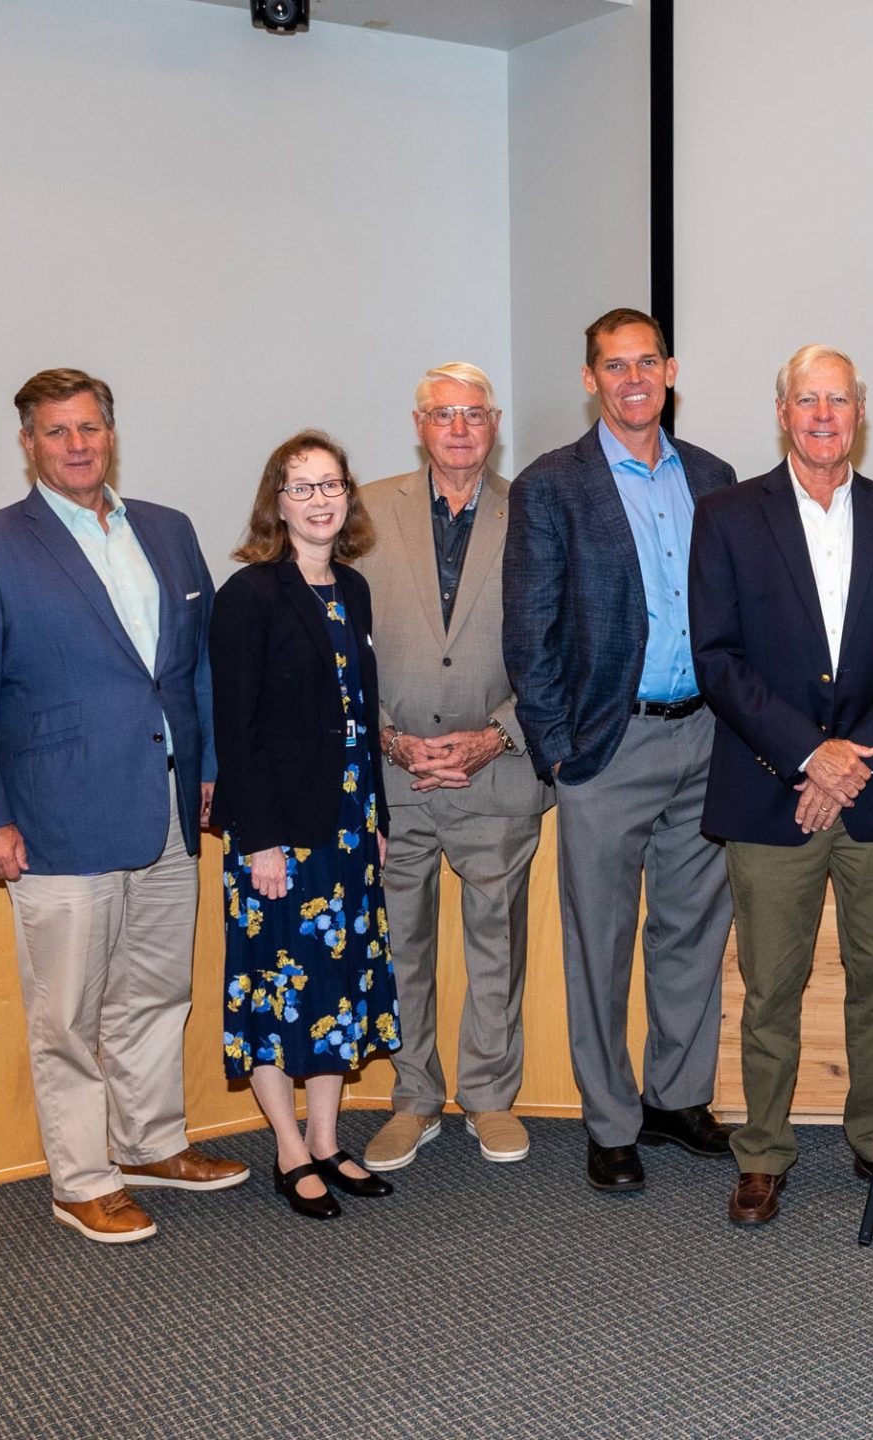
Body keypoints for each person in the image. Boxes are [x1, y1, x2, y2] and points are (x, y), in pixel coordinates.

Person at [0, 368, 250, 1244]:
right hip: (55, 818)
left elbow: (198, 666)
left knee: (156, 993)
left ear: (112, 433)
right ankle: (82, 1177)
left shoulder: (170, 532)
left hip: (170, 808)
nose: (77, 444)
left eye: (90, 428)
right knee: (66, 1013)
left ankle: (149, 1145)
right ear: (28, 443)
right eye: (58, 431)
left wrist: (211, 764)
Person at [689, 345, 873, 1226]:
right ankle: (763, 1155)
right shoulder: (725, 516)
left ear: (860, 409)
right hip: (767, 794)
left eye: (838, 400)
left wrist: (848, 760)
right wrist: (807, 756)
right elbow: (717, 657)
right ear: (782, 411)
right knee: (770, 988)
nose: (823, 415)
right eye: (806, 400)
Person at [503, 309, 738, 1193]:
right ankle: (610, 1121)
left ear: (670, 370)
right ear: (590, 379)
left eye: (647, 362)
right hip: (607, 747)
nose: (633, 378)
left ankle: (677, 1097)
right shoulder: (551, 485)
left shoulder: (712, 477)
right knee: (599, 941)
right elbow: (529, 631)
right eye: (614, 365)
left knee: (690, 931)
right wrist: (559, 754)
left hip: (705, 738)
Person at [357, 364, 553, 1173]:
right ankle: (413, 1098)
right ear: (419, 423)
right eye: (444, 414)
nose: (460, 428)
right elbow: (336, 643)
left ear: (495, 421)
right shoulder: (365, 511)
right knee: (400, 944)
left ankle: (490, 1098)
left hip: (494, 770)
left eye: (474, 414)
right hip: (395, 773)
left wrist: (498, 735)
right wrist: (388, 739)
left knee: (494, 945)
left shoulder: (535, 513)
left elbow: (557, 645)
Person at [210, 431, 401, 1219]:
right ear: (276, 504)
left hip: (348, 825)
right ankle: (290, 1150)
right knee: (278, 991)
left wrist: (378, 816)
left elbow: (359, 717)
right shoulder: (249, 594)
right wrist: (257, 840)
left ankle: (327, 1139)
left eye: (332, 485)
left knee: (336, 984)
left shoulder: (352, 589)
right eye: (302, 488)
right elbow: (236, 725)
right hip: (278, 836)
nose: (320, 500)